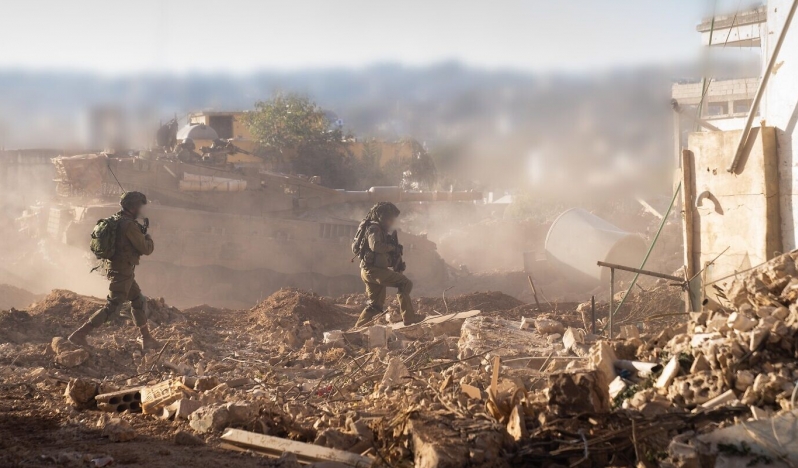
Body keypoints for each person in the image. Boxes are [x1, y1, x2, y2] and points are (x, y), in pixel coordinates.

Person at [68, 191, 161, 350]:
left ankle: (147, 338)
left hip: (119, 268)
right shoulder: (129, 225)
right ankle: (79, 334)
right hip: (122, 270)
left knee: (138, 300)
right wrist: (149, 238)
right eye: (140, 206)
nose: (142, 210)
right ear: (134, 207)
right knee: (113, 307)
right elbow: (146, 249)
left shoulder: (116, 219)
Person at [354, 202, 424, 328]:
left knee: (375, 306)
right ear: (382, 217)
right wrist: (392, 248)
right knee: (405, 283)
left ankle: (357, 329)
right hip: (374, 271)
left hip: (370, 270)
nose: (391, 222)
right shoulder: (374, 228)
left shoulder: (378, 229)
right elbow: (375, 246)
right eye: (389, 219)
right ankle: (409, 317)